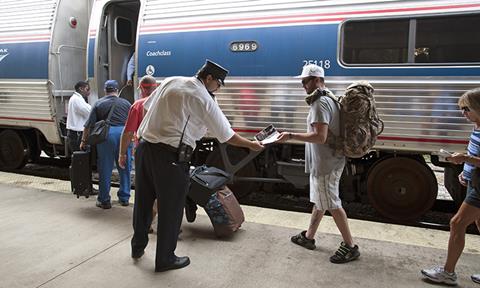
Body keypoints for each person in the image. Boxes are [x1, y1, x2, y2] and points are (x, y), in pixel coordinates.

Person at [131, 60, 263, 272]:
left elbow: (147, 106)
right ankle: (165, 258)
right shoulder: (202, 97)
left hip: (145, 149)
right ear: (208, 78)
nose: (218, 88)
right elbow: (227, 135)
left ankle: (137, 247)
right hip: (170, 157)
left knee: (144, 201)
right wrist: (252, 145)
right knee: (171, 208)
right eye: (218, 84)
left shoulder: (171, 81)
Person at [276, 64, 360, 263]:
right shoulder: (329, 96)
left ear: (316, 80)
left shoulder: (319, 103)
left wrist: (290, 135)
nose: (302, 85)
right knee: (321, 200)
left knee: (332, 203)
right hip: (330, 159)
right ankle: (309, 237)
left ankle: (350, 246)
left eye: (305, 81)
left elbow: (320, 137)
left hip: (326, 163)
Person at [421, 88, 480, 286]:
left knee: (457, 223)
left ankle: (448, 272)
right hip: (475, 182)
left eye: (466, 109)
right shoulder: (477, 127)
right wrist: (467, 171)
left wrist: (464, 158)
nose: (463, 113)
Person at [80, 80, 132, 209]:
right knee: (125, 167)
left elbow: (88, 126)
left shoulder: (98, 103)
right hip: (124, 134)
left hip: (106, 136)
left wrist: (83, 141)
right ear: (117, 90)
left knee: (105, 169)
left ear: (105, 90)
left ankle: (104, 200)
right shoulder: (126, 103)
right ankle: (124, 198)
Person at [118, 75, 158, 232]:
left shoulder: (138, 105)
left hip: (144, 151)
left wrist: (122, 154)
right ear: (156, 86)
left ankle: (145, 224)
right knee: (161, 189)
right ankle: (165, 222)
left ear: (141, 88)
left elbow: (128, 132)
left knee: (145, 191)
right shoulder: (163, 103)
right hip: (164, 151)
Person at [66, 81, 91, 153]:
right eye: (87, 89)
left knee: (79, 158)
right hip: (77, 135)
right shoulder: (77, 99)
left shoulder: (76, 98)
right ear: (81, 89)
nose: (89, 92)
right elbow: (90, 112)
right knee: (80, 157)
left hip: (76, 134)